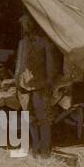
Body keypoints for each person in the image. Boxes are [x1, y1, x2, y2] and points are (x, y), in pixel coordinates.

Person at [14, 14, 61, 159]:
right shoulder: (22, 43)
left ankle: (45, 151)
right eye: (23, 24)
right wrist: (17, 79)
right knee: (29, 118)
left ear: (34, 24)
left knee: (43, 118)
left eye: (28, 23)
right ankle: (36, 147)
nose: (26, 27)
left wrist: (48, 82)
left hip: (40, 85)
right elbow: (19, 63)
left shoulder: (45, 42)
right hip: (23, 84)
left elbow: (51, 65)